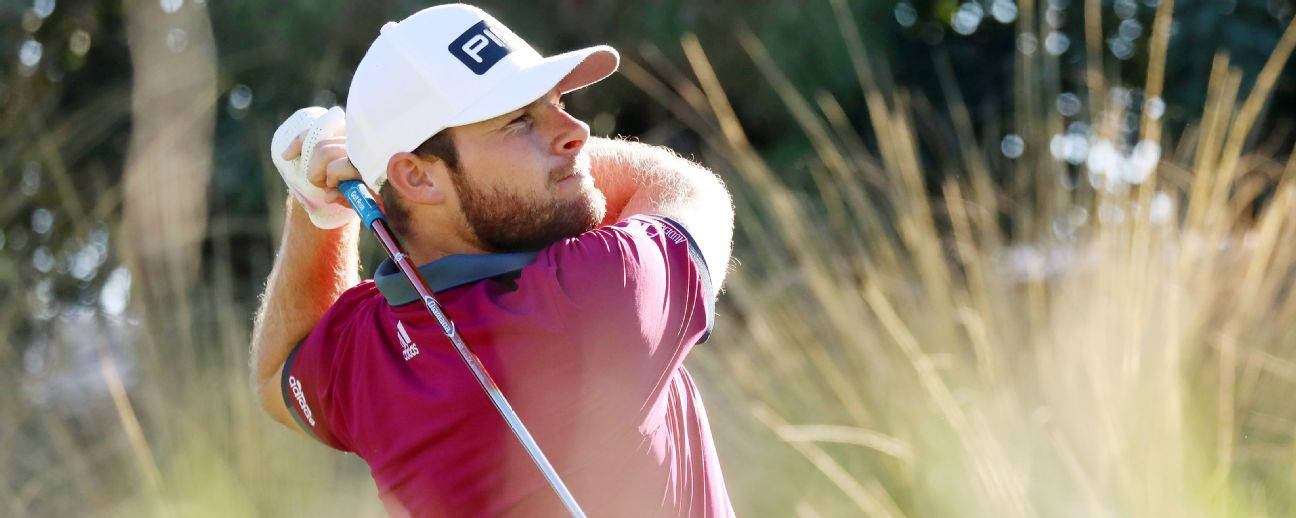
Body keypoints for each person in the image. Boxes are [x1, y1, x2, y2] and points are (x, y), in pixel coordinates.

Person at [249, 4, 735, 517]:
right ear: (418, 178)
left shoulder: (374, 355)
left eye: (557, 102)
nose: (576, 132)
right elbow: (686, 188)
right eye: (520, 121)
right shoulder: (599, 289)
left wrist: (320, 208)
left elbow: (277, 374)